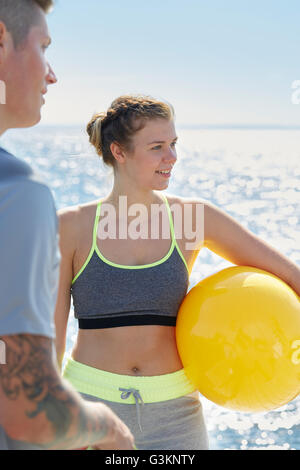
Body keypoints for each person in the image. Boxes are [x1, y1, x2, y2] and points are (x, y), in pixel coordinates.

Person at [55, 94, 300, 450]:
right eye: (157, 147)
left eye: (173, 144)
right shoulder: (71, 227)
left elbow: (288, 275)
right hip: (90, 407)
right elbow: (50, 337)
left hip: (175, 415)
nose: (172, 158)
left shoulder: (193, 218)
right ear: (119, 152)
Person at [0, 0, 135, 450]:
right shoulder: (17, 190)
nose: (51, 74)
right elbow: (31, 410)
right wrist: (109, 428)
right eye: (43, 47)